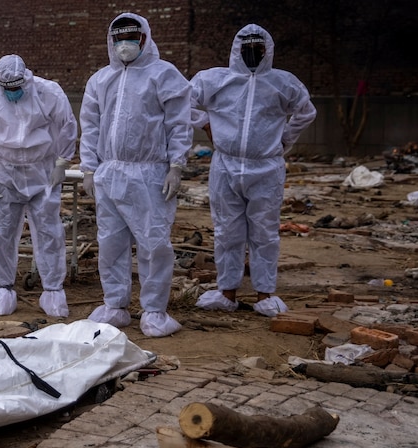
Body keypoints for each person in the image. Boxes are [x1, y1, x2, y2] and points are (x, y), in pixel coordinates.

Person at [191, 24, 317, 317]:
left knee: (264, 232)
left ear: (267, 51)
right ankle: (227, 292)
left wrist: (285, 137)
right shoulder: (216, 80)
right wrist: (206, 124)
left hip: (266, 167)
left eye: (257, 49)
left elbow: (306, 112)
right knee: (227, 231)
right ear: (237, 50)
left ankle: (265, 294)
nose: (251, 54)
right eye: (246, 48)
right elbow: (182, 100)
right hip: (226, 164)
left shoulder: (282, 83)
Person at [79, 13, 191, 337]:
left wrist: (176, 165)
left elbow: (178, 123)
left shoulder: (164, 75)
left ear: (145, 38)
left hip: (150, 173)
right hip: (109, 170)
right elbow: (90, 126)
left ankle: (154, 311)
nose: (125, 45)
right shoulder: (101, 79)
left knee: (153, 243)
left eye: (131, 38)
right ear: (111, 42)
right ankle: (115, 305)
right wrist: (89, 167)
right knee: (110, 242)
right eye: (119, 39)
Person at [0, 54, 78, 317]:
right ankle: (3, 287)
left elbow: (67, 125)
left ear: (26, 78)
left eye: (17, 87)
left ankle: (53, 291)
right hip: (5, 171)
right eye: (8, 88)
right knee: (2, 233)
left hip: (43, 169)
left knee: (50, 231)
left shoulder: (48, 92)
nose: (13, 92)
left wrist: (62, 161)